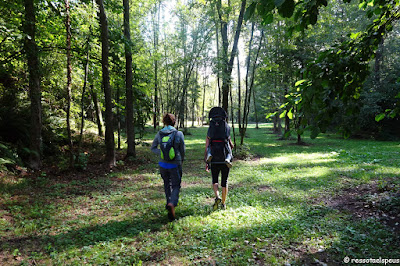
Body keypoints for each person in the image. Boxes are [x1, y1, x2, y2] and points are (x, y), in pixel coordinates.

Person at [151, 113, 185, 221]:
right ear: (174, 122)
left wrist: (161, 153)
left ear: (164, 122)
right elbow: (182, 150)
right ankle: (172, 203)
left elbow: (153, 148)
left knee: (167, 184)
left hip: (162, 164)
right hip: (175, 164)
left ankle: (168, 203)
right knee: (176, 185)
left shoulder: (159, 134)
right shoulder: (178, 134)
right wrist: (181, 160)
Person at [204, 107, 234, 211]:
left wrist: (206, 160)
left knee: (215, 180)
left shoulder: (211, 129)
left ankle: (217, 197)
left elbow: (207, 145)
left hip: (214, 156)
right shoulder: (227, 127)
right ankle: (224, 204)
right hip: (224, 154)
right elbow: (231, 145)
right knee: (224, 181)